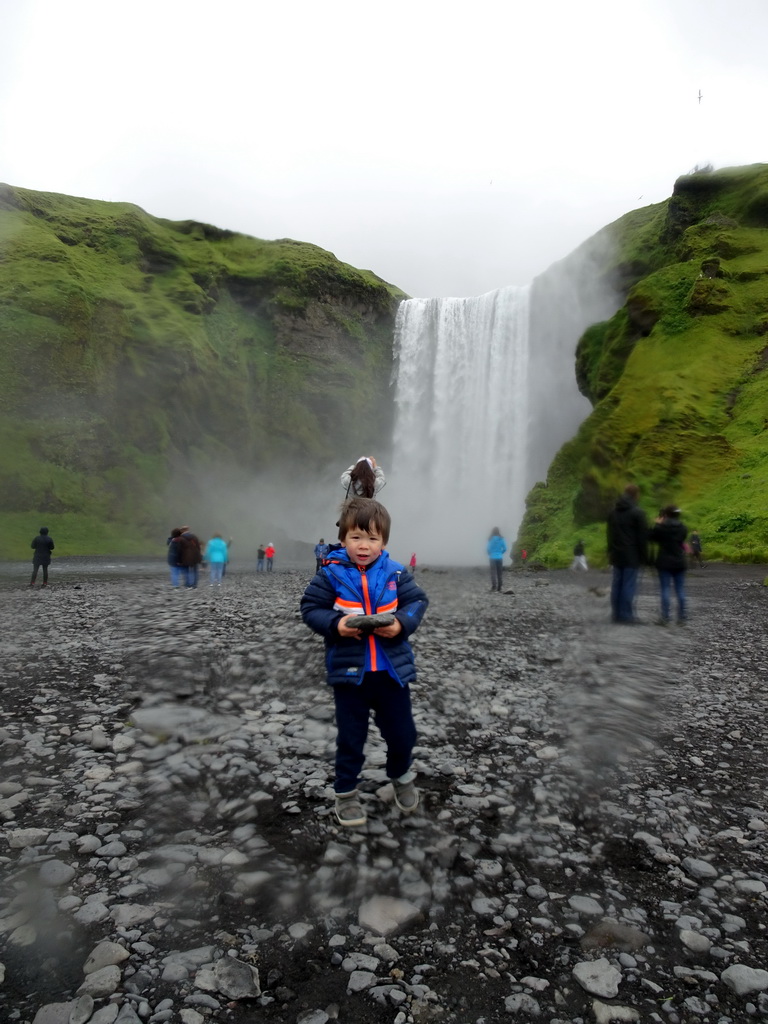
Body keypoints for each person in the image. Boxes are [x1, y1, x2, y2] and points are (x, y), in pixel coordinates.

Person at [300, 497, 429, 827]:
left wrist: (400, 624)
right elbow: (311, 609)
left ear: (383, 541)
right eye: (356, 537)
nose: (364, 545)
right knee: (350, 737)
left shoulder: (396, 572)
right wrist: (336, 625)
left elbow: (416, 602)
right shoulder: (330, 575)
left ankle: (401, 777)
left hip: (391, 673)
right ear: (343, 538)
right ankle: (345, 791)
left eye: (373, 538)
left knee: (403, 734)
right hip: (350, 674)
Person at [606, 484, 649, 623]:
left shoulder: (613, 512)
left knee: (617, 584)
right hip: (632, 555)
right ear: (636, 495)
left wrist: (610, 552)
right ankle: (626, 615)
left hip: (616, 554)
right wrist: (644, 557)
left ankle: (616, 614)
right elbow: (642, 537)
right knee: (628, 584)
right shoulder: (638, 513)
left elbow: (609, 535)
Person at [649, 505, 688, 625]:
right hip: (679, 561)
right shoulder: (683, 528)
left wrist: (657, 524)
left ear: (665, 515)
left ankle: (665, 618)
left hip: (664, 561)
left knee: (665, 589)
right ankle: (682, 618)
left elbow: (651, 538)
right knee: (680, 590)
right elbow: (681, 539)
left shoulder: (661, 528)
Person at [487, 527, 507, 592]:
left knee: (493, 572)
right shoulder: (501, 539)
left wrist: (490, 553)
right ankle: (499, 587)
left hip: (492, 557)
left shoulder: (490, 539)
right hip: (499, 557)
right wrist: (500, 553)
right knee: (499, 573)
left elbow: (488, 549)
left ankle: (494, 587)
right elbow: (505, 548)